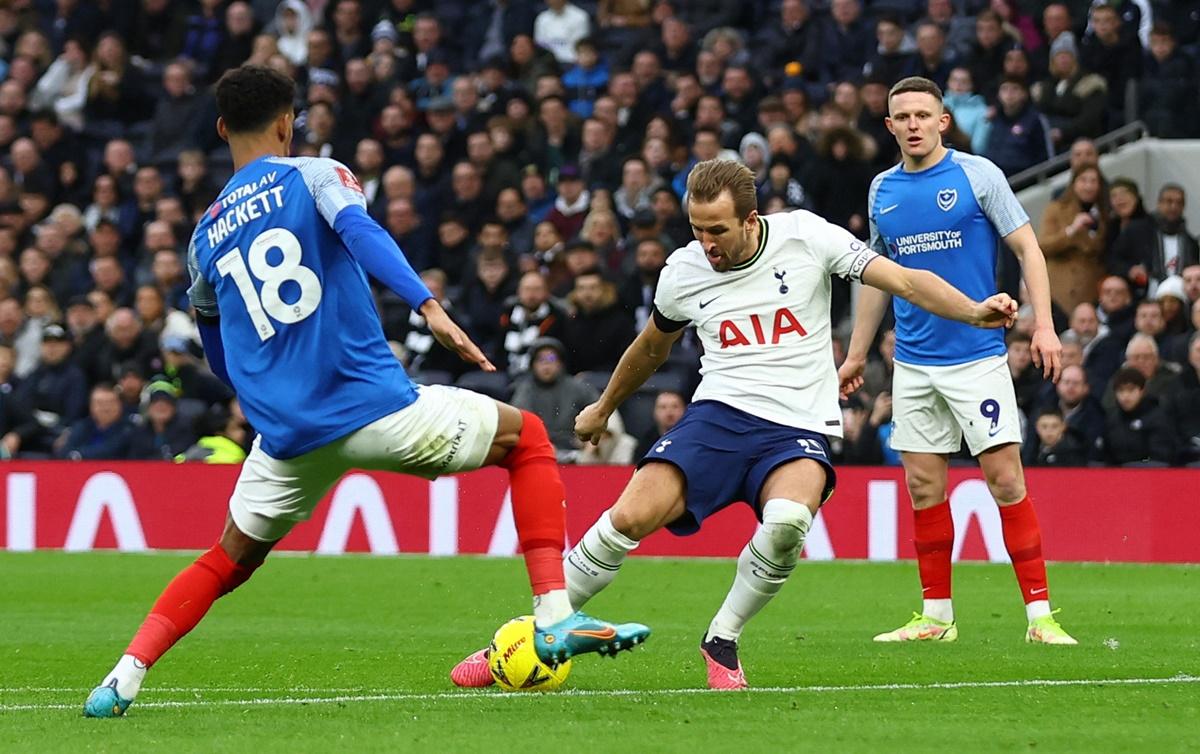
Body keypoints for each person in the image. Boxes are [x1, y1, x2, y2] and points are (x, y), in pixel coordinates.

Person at [84, 66, 647, 719]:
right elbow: (360, 233)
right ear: (287, 123)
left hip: (288, 438)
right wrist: (427, 304)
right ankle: (553, 616)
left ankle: (122, 677)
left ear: (219, 129)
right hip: (375, 408)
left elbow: (217, 351)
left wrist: (265, 397)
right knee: (528, 439)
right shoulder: (315, 174)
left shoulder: (203, 235)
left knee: (227, 558)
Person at [452, 158, 1019, 690]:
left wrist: (972, 311)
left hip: (797, 425)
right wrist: (603, 407)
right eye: (696, 228)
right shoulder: (684, 271)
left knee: (788, 522)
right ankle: (517, 642)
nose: (706, 243)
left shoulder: (807, 236)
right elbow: (651, 347)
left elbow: (906, 281)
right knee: (624, 519)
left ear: (751, 219)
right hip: (718, 417)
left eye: (717, 230)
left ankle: (721, 640)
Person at [839, 77, 1077, 646]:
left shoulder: (978, 175)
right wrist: (856, 353)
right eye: (904, 116)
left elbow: (1028, 249)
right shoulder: (881, 190)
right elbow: (878, 276)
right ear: (890, 126)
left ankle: (1041, 618)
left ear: (943, 121)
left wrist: (1043, 325)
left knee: (1004, 480)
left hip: (977, 357)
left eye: (925, 114)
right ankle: (936, 617)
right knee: (923, 487)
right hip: (914, 363)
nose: (915, 124)